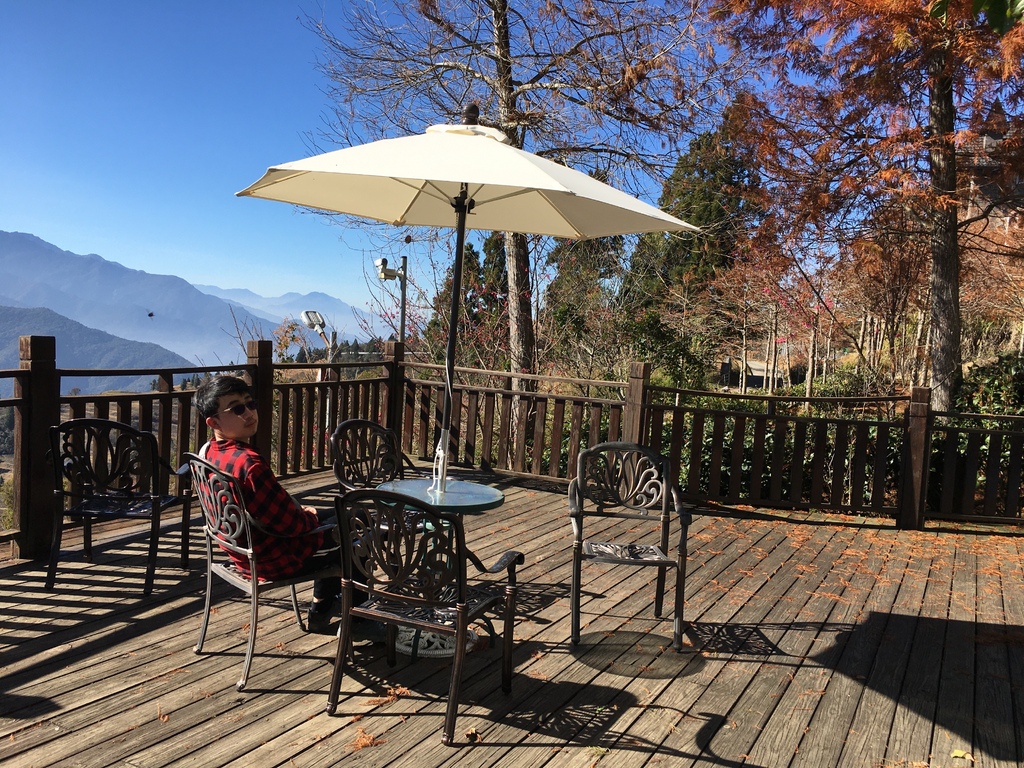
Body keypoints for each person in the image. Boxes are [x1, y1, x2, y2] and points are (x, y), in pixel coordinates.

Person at [194, 374, 379, 639]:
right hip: (275, 557)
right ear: (213, 422)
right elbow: (292, 526)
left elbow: (274, 512)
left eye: (250, 404)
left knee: (351, 515)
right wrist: (308, 517)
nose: (249, 413)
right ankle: (357, 619)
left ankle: (322, 608)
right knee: (358, 529)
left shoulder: (208, 453)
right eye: (237, 409)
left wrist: (305, 515)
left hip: (243, 551)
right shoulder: (249, 464)